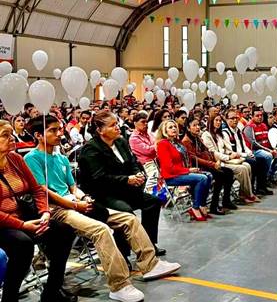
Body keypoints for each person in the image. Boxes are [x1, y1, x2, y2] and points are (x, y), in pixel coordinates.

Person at [24, 116, 180, 302]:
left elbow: (72, 187)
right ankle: (119, 284)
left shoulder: (61, 158)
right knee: (101, 229)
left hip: (76, 202)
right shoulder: (31, 158)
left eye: (59, 129)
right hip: (58, 209)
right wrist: (75, 204)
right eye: (52, 130)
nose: (59, 134)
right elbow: (45, 192)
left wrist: (84, 198)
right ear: (38, 135)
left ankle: (150, 264)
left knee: (128, 219)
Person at [0, 120, 78, 302]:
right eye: (5, 135)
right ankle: (9, 298)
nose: (12, 138)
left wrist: (45, 213)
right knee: (23, 244)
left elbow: (37, 189)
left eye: (11, 134)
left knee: (64, 231)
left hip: (24, 216)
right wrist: (22, 225)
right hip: (4, 224)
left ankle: (52, 290)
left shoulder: (15, 159)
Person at [78, 111, 166, 256]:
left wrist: (138, 174)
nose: (117, 128)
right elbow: (99, 178)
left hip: (124, 189)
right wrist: (127, 179)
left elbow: (133, 162)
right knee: (125, 211)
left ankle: (149, 244)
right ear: (100, 130)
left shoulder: (120, 141)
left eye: (117, 124)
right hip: (103, 194)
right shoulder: (91, 149)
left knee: (153, 202)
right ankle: (122, 254)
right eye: (112, 125)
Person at [156, 120, 211, 221]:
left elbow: (186, 158)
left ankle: (201, 204)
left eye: (175, 127)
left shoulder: (177, 142)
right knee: (202, 178)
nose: (174, 129)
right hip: (171, 176)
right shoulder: (163, 144)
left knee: (208, 175)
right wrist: (188, 170)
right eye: (170, 127)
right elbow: (169, 168)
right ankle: (195, 207)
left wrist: (191, 170)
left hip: (181, 173)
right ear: (164, 131)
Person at [181, 117, 235, 215]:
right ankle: (213, 206)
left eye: (198, 125)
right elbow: (194, 159)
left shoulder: (197, 138)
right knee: (220, 175)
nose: (197, 127)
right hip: (197, 167)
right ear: (188, 128)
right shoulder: (186, 141)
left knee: (229, 172)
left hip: (207, 164)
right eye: (194, 125)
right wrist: (212, 164)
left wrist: (215, 161)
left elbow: (206, 151)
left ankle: (226, 200)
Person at [202, 113, 259, 204]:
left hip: (225, 159)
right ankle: (248, 194)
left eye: (220, 120)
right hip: (217, 162)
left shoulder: (219, 134)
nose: (218, 122)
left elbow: (226, 148)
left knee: (248, 165)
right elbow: (212, 152)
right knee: (243, 168)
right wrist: (228, 156)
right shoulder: (206, 134)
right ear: (211, 121)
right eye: (216, 120)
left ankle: (244, 194)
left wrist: (232, 153)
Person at [222, 110, 271, 197]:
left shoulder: (238, 131)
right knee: (253, 162)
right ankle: (249, 190)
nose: (235, 120)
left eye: (236, 118)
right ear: (226, 119)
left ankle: (260, 187)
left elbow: (244, 146)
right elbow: (230, 150)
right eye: (232, 118)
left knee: (261, 160)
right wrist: (246, 155)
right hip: (234, 157)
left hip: (243, 154)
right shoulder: (225, 132)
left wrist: (249, 153)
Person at [244, 109, 277, 187]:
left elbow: (268, 139)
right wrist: (269, 150)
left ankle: (270, 174)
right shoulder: (249, 127)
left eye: (261, 115)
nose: (260, 117)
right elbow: (253, 143)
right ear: (252, 116)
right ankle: (264, 179)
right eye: (257, 116)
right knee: (268, 155)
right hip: (254, 151)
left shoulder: (264, 125)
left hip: (266, 148)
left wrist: (273, 148)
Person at [128, 112, 159, 192]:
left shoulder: (149, 134)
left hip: (157, 162)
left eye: (146, 122)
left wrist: (157, 145)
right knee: (153, 189)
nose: (146, 124)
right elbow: (148, 151)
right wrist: (158, 144)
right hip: (146, 166)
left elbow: (155, 146)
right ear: (135, 123)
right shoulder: (134, 138)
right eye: (143, 122)